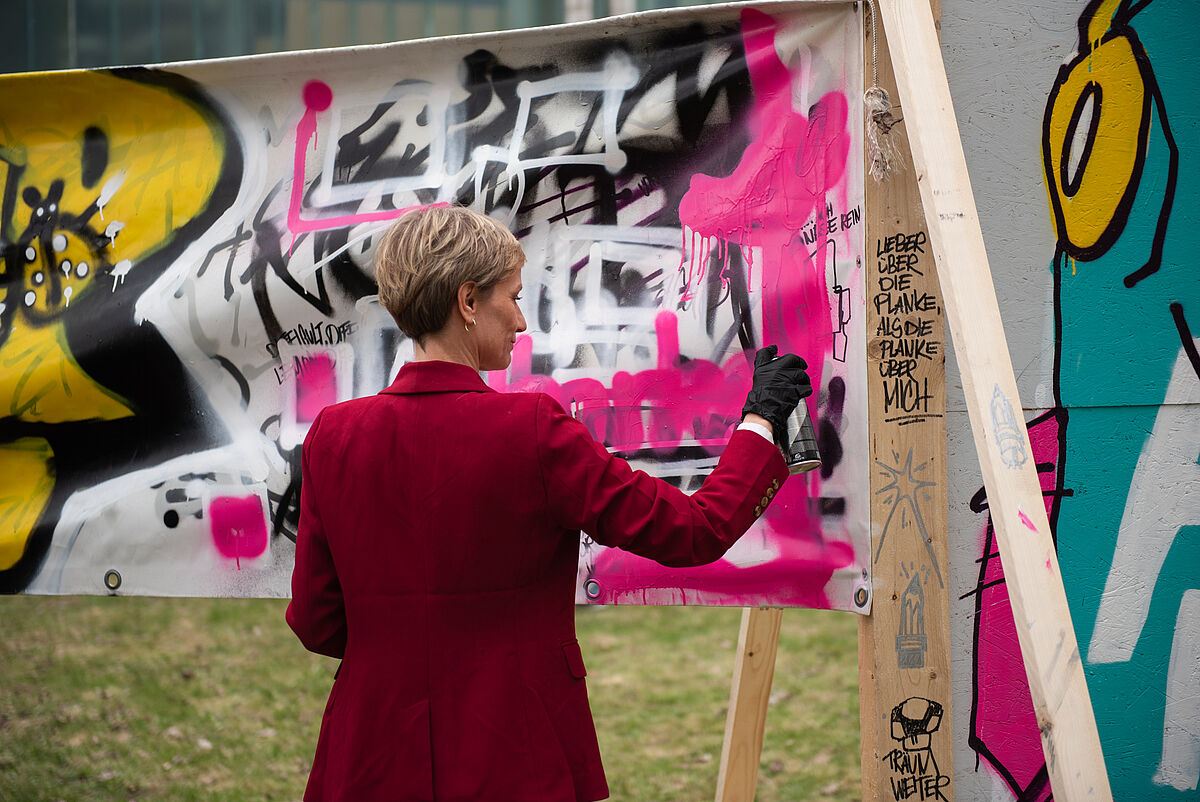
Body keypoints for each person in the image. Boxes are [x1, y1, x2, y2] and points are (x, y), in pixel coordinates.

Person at [286, 205, 811, 802]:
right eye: (511, 296)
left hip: (370, 753)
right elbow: (693, 530)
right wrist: (762, 423)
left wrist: (403, 648)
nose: (520, 319)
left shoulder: (333, 434)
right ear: (466, 301)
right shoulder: (530, 429)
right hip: (514, 750)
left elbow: (317, 620)